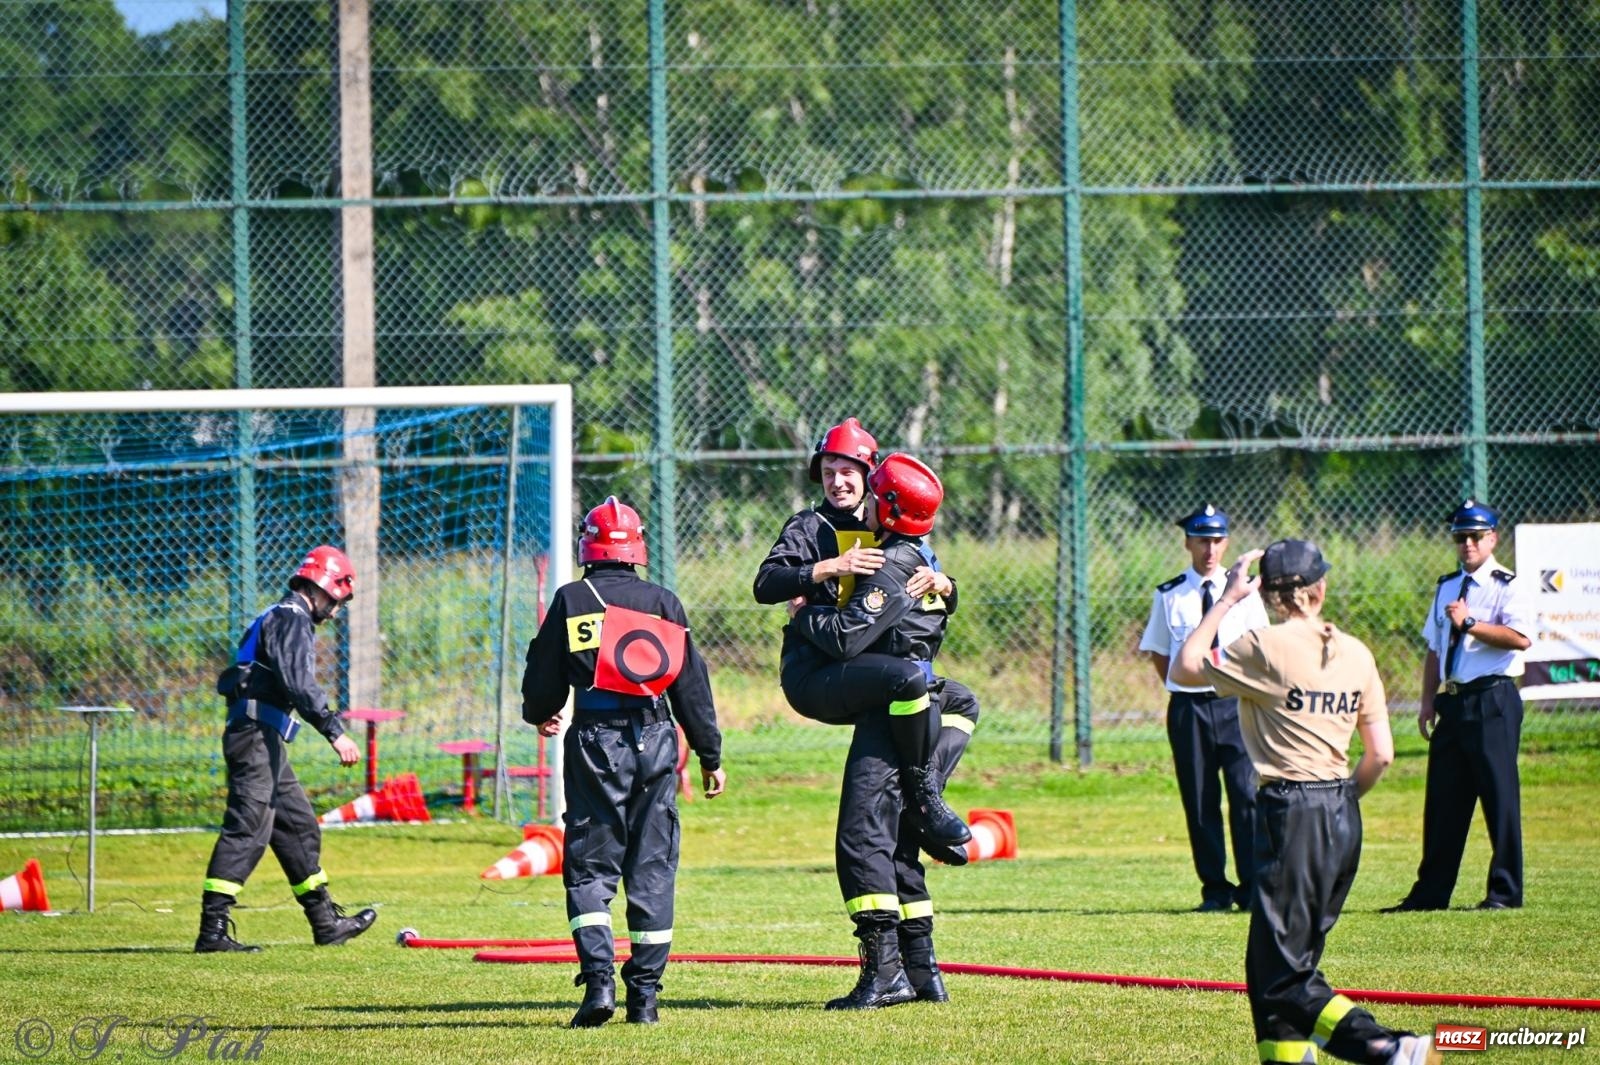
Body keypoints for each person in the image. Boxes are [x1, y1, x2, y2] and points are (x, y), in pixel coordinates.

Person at [1171, 539, 1438, 1065]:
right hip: (1342, 811)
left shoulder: (1263, 646)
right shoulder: (1358, 652)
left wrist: (1226, 600)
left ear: (1269, 596)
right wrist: (1336, 804)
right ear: (1321, 589)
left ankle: (1389, 1048)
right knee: (1276, 965)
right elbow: (1380, 755)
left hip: (1292, 811)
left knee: (1281, 977)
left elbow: (1184, 668)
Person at [521, 496, 727, 1028]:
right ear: (637, 548)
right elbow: (691, 685)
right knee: (652, 867)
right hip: (657, 738)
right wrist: (709, 753)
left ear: (587, 547)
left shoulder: (572, 599)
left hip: (594, 741)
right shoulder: (663, 602)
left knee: (591, 864)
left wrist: (541, 712)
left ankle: (597, 984)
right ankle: (646, 999)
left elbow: (543, 674)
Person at [788, 453, 974, 1010]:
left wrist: (803, 615)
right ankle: (924, 972)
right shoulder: (926, 560)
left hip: (888, 709)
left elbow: (846, 638)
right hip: (925, 707)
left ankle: (883, 974)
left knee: (862, 839)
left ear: (887, 505)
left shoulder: (891, 564)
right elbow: (940, 604)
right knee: (901, 840)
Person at [753, 418, 978, 858]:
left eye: (848, 472)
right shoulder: (808, 526)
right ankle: (925, 802)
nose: (837, 482)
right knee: (912, 683)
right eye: (829, 472)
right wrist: (826, 568)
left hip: (875, 667)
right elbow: (765, 584)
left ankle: (924, 799)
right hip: (823, 664)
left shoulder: (891, 520)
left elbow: (927, 587)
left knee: (960, 701)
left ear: (869, 477)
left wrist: (946, 585)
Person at [197, 545, 378, 953]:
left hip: (266, 738)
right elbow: (299, 682)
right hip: (253, 737)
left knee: (297, 824)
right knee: (248, 825)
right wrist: (335, 732)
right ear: (320, 586)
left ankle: (325, 922)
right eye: (335, 601)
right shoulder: (290, 617)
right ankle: (212, 932)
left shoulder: (281, 616)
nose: (334, 612)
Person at [1384, 500, 1530, 913]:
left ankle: (1505, 893)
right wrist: (1428, 700)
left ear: (1492, 538)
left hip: (1492, 698)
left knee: (1499, 798)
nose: (1466, 544)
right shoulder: (1447, 585)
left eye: (1475, 536)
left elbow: (1519, 638)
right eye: (1460, 537)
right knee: (1444, 801)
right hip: (1453, 700)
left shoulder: (1507, 585)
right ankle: (1430, 893)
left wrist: (1470, 624)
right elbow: (1434, 647)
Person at [1139, 504, 1270, 912]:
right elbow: (1160, 653)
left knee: (1246, 795)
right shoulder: (1171, 594)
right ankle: (1215, 889)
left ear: (1226, 542)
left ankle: (1251, 887)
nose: (1209, 550)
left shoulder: (1247, 596)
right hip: (1190, 709)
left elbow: (1261, 649)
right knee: (1200, 801)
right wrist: (1182, 684)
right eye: (1201, 540)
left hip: (1235, 706)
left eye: (1216, 541)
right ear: (1188, 543)